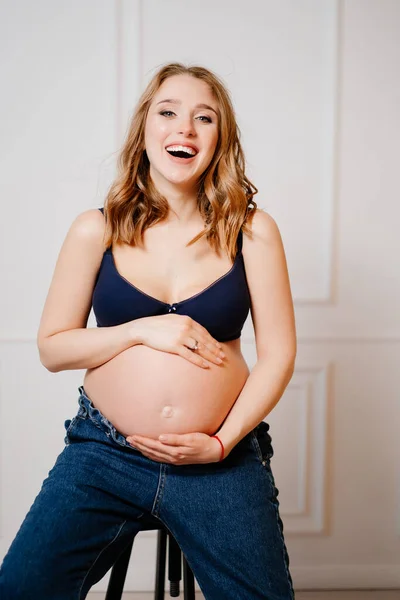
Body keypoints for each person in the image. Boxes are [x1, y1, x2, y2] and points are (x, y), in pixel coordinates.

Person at [0, 62, 297, 599]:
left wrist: (221, 443)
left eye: (203, 118)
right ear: (144, 130)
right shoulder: (97, 228)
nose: (184, 128)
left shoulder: (252, 231)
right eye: (168, 113)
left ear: (219, 139)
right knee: (22, 587)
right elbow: (53, 348)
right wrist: (141, 330)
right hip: (105, 452)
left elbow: (278, 357)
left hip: (218, 458)